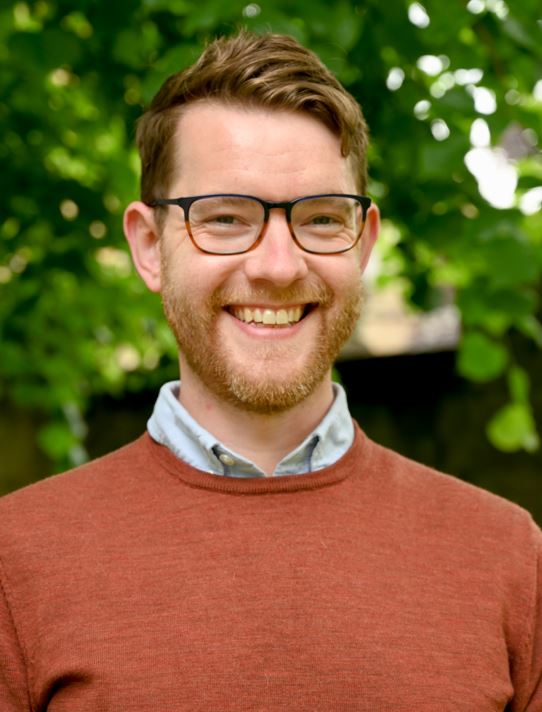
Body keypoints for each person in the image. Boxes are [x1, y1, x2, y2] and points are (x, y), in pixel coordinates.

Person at [0, 31, 540, 712]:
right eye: (224, 218)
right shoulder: (14, 565)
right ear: (148, 247)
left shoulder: (508, 559)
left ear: (364, 244)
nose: (279, 267)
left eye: (319, 218)